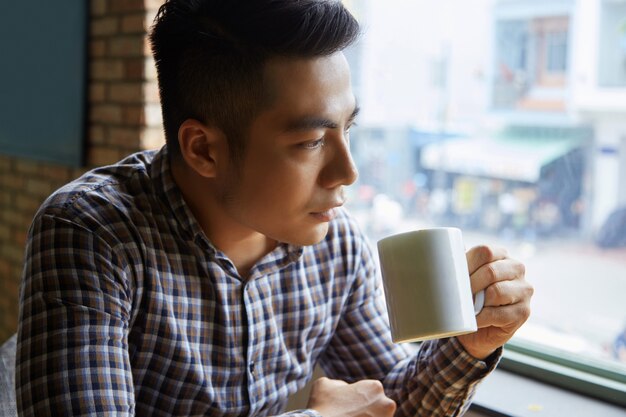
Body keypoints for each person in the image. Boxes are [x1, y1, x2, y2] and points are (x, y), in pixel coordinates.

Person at [15, 1, 533, 416]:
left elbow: (388, 403)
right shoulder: (91, 232)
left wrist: (471, 345)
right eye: (310, 142)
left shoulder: (336, 242)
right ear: (203, 150)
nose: (348, 172)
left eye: (347, 128)